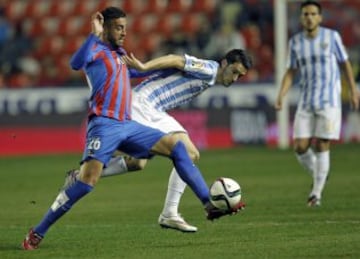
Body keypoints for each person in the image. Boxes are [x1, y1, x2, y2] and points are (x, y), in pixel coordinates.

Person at [21, 7, 245, 250]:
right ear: (104, 27)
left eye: (125, 27)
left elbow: (136, 71)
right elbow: (75, 63)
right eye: (118, 27)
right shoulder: (95, 49)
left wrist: (165, 69)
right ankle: (38, 231)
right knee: (86, 183)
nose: (124, 32)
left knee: (178, 149)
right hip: (104, 123)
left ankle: (208, 205)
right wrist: (94, 35)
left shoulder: (118, 54)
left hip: (129, 123)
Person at [63, 48, 252, 233]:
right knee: (189, 153)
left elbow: (170, 70)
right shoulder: (209, 68)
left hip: (153, 109)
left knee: (138, 162)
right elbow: (175, 59)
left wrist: (141, 70)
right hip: (143, 106)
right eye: (234, 72)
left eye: (239, 76)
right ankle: (173, 212)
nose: (235, 78)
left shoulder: (209, 77)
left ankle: (80, 176)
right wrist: (144, 67)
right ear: (225, 63)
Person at [275, 0, 359, 206]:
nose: (309, 17)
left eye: (313, 14)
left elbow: (344, 63)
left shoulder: (332, 37)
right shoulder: (295, 42)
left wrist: (353, 89)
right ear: (301, 18)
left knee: (322, 143)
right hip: (306, 101)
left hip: (329, 100)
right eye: (305, 14)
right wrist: (281, 94)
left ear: (320, 17)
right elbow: (291, 71)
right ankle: (320, 173)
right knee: (300, 146)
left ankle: (316, 193)